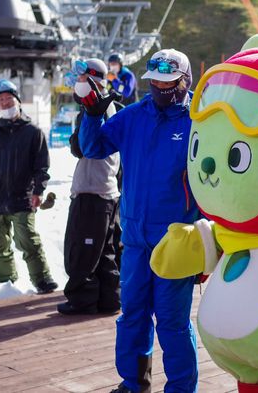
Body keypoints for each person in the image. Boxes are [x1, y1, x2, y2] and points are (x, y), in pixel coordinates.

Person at [79, 49, 199, 393]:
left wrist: (206, 240)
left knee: (173, 323)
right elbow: (93, 147)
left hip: (175, 242)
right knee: (132, 315)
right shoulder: (134, 115)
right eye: (155, 82)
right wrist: (92, 114)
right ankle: (134, 384)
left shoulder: (199, 122)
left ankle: (181, 389)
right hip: (134, 239)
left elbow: (211, 182)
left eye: (168, 82)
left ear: (185, 81)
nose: (160, 87)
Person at [57, 58, 122, 316]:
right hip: (104, 191)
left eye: (81, 80)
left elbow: (82, 148)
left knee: (82, 250)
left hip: (93, 191)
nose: (77, 85)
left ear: (92, 81)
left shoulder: (98, 109)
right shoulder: (104, 108)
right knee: (103, 251)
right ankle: (109, 299)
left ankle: (81, 300)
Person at [0, 79, 58, 294]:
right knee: (0, 245)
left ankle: (42, 279)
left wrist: (38, 191)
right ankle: (6, 282)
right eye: (1, 100)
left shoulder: (33, 133)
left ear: (18, 101)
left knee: (29, 241)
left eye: (9, 98)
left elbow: (41, 166)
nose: (6, 103)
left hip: (22, 198)